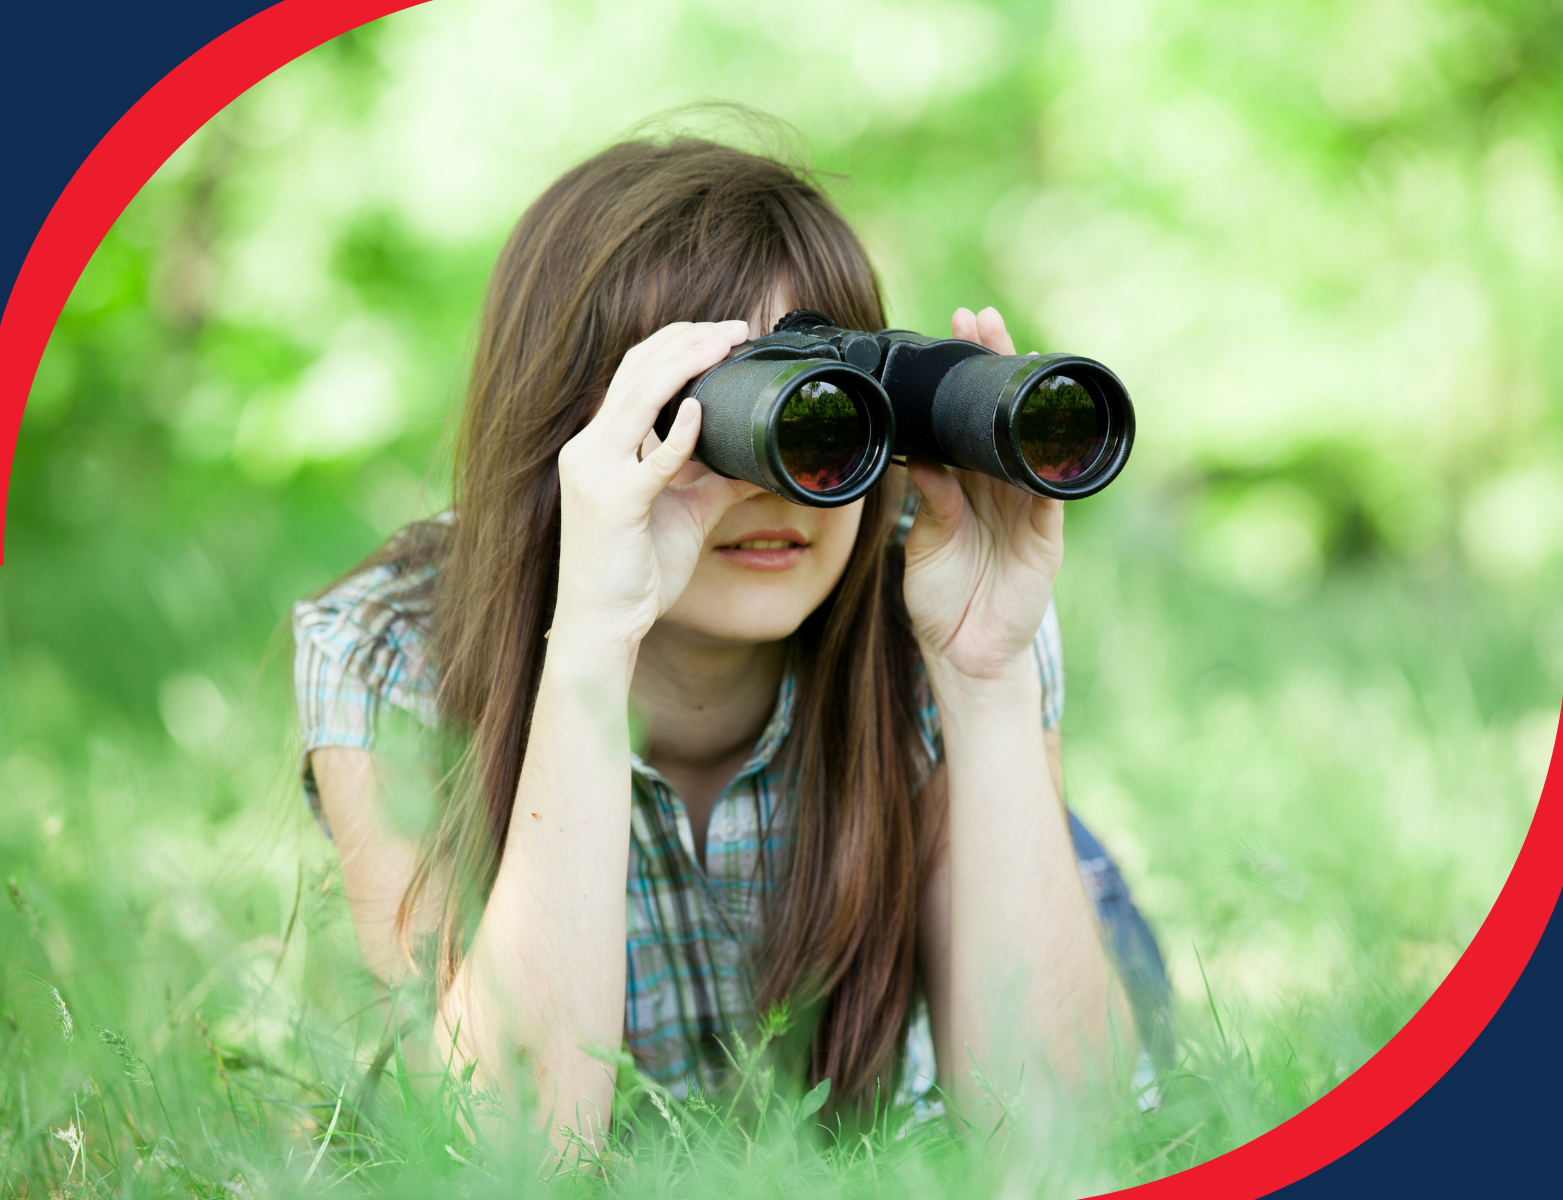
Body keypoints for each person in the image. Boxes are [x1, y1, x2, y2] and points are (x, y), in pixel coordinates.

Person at [292, 133, 1168, 1148]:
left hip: (1025, 907)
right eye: (738, 414)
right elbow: (504, 1151)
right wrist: (589, 648)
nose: (782, 479)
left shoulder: (932, 600)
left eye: (831, 410)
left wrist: (987, 679)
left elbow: (1062, 1134)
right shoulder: (392, 650)